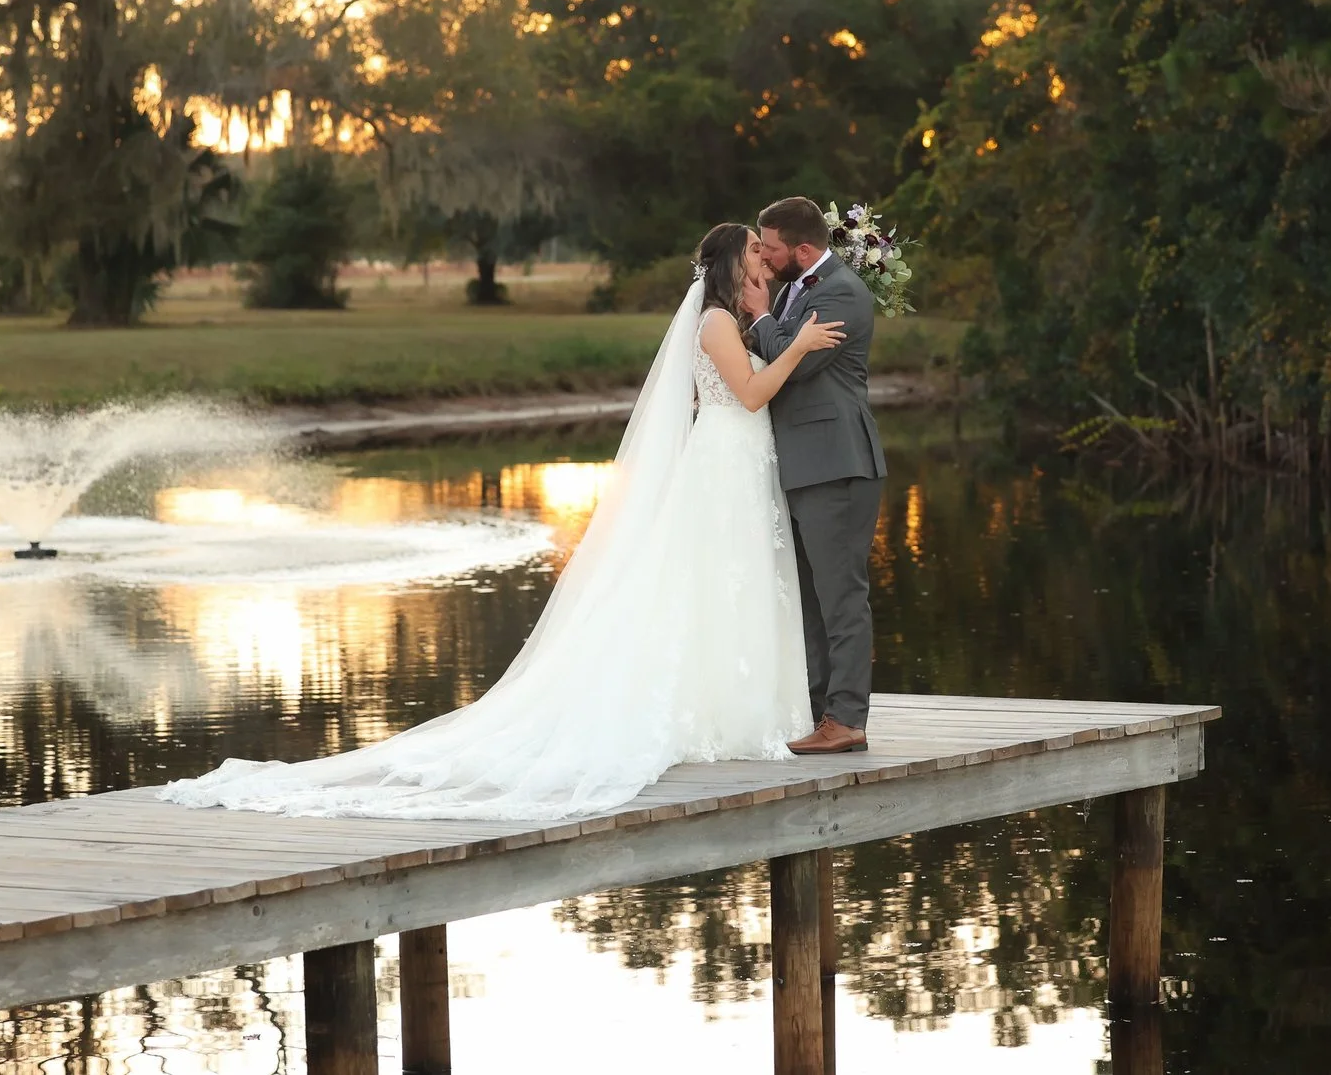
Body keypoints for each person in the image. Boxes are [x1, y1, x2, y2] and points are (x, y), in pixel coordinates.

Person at [161, 223, 846, 821]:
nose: (765, 257)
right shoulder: (716, 323)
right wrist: (799, 344)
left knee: (734, 586)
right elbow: (752, 395)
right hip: (725, 461)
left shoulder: (738, 315)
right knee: (713, 583)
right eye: (755, 250)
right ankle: (710, 711)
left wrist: (779, 329)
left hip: (739, 464)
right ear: (733, 261)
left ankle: (738, 706)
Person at [746, 195, 887, 755]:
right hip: (805, 466)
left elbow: (796, 363)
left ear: (803, 249)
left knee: (841, 598)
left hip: (838, 463)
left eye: (772, 247)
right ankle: (818, 712)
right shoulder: (793, 290)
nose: (765, 254)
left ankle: (847, 719)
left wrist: (759, 317)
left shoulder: (843, 295)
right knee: (808, 599)